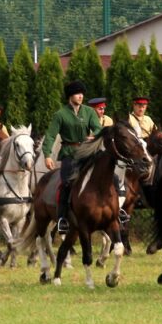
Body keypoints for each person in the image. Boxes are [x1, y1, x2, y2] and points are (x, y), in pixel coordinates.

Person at [43, 81, 101, 233]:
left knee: (109, 175)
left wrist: (93, 135)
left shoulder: (89, 112)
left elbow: (98, 128)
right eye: (77, 93)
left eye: (82, 93)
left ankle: (116, 211)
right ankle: (62, 218)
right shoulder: (60, 115)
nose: (81, 96)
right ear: (70, 96)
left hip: (88, 152)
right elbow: (50, 136)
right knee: (66, 184)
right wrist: (47, 155)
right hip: (69, 153)